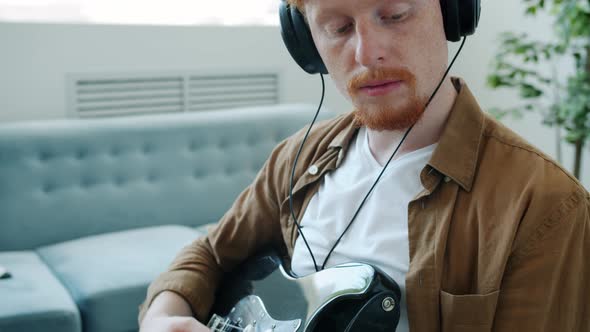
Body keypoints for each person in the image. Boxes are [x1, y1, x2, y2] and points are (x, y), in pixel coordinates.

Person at [138, 0, 590, 331]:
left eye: (394, 15)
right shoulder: (297, 158)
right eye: (337, 27)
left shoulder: (547, 206)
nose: (366, 53)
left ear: (451, 13)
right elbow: (212, 254)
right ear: (307, 44)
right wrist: (165, 316)